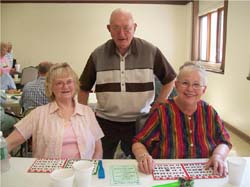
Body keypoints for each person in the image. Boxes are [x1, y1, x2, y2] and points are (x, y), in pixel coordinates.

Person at [78, 8, 176, 159]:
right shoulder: (97, 54)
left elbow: (170, 79)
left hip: (140, 122)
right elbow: (83, 88)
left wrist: (159, 103)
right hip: (105, 123)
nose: (121, 34)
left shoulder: (150, 51)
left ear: (134, 27)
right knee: (101, 163)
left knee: (139, 165)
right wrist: (85, 116)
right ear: (109, 29)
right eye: (116, 28)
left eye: (127, 28)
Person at [132, 62, 232, 176]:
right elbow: (138, 142)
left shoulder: (209, 111)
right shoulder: (162, 111)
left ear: (204, 90)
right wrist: (143, 156)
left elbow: (225, 141)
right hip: (168, 174)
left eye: (196, 84)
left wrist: (218, 156)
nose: (190, 89)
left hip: (204, 172)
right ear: (176, 85)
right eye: (185, 83)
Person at [6, 62, 104, 159]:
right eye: (59, 83)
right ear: (51, 87)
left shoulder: (87, 112)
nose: (65, 86)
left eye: (69, 82)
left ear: (75, 84)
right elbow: (9, 142)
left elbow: (98, 149)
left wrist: (92, 170)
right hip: (49, 173)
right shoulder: (38, 114)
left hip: (83, 172)